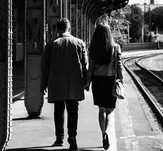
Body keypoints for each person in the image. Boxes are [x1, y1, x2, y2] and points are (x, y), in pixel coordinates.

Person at [41, 18, 88, 150]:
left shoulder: (51, 44)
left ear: (57, 29)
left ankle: (59, 138)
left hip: (56, 82)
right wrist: (86, 81)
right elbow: (85, 65)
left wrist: (42, 84)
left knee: (58, 109)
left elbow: (44, 66)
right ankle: (72, 135)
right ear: (69, 28)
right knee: (73, 110)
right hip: (74, 83)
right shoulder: (79, 43)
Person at [85, 22, 123, 150]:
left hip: (97, 81)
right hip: (110, 81)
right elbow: (119, 65)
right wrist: (121, 79)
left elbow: (90, 68)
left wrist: (87, 82)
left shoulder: (93, 48)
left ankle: (103, 133)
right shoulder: (115, 47)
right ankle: (107, 131)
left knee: (101, 110)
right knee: (110, 111)